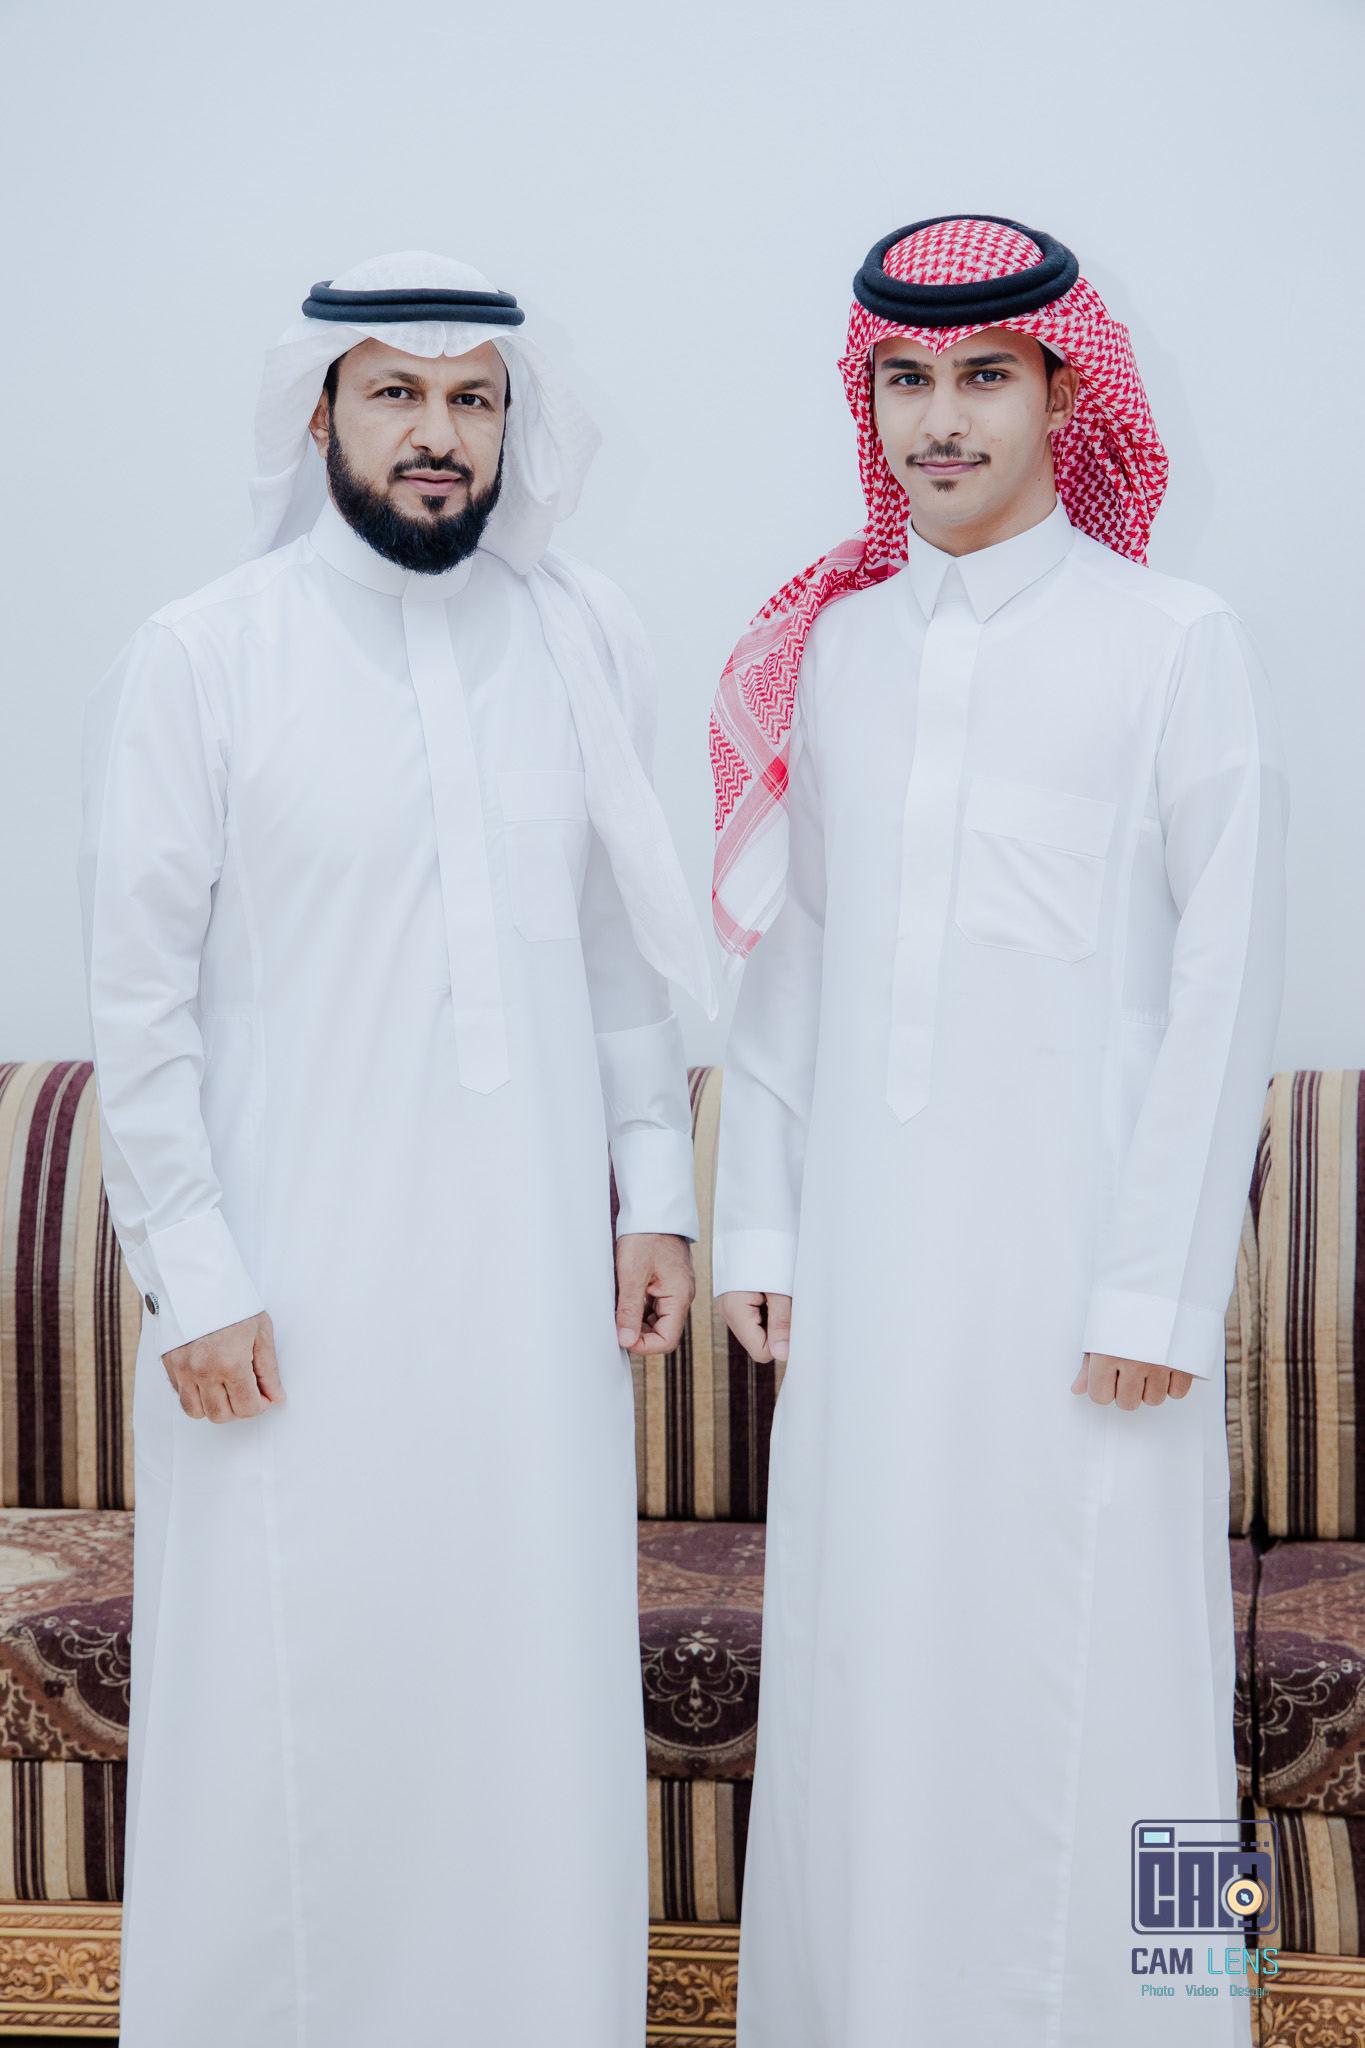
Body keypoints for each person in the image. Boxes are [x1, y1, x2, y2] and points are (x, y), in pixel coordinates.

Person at [80, 250, 714, 2048]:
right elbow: (139, 1002)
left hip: (527, 1292)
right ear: (319, 415)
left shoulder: (581, 638)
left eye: (472, 400)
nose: (437, 435)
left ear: (513, 424)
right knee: (293, 1695)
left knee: (519, 1685)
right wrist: (194, 1274)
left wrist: (655, 1195)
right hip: (289, 1291)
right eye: (396, 395)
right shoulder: (204, 655)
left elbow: (619, 950)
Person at [710, 215, 1285, 2045]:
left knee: (1131, 1683)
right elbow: (788, 964)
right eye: (903, 379)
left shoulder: (1173, 641)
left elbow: (1225, 991)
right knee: (867, 1677)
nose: (937, 419)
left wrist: (1153, 1291)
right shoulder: (833, 650)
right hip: (870, 1284)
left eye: (981, 376)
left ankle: (1184, 2014)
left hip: (1086, 1288)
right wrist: (764, 1229)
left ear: (1061, 393)